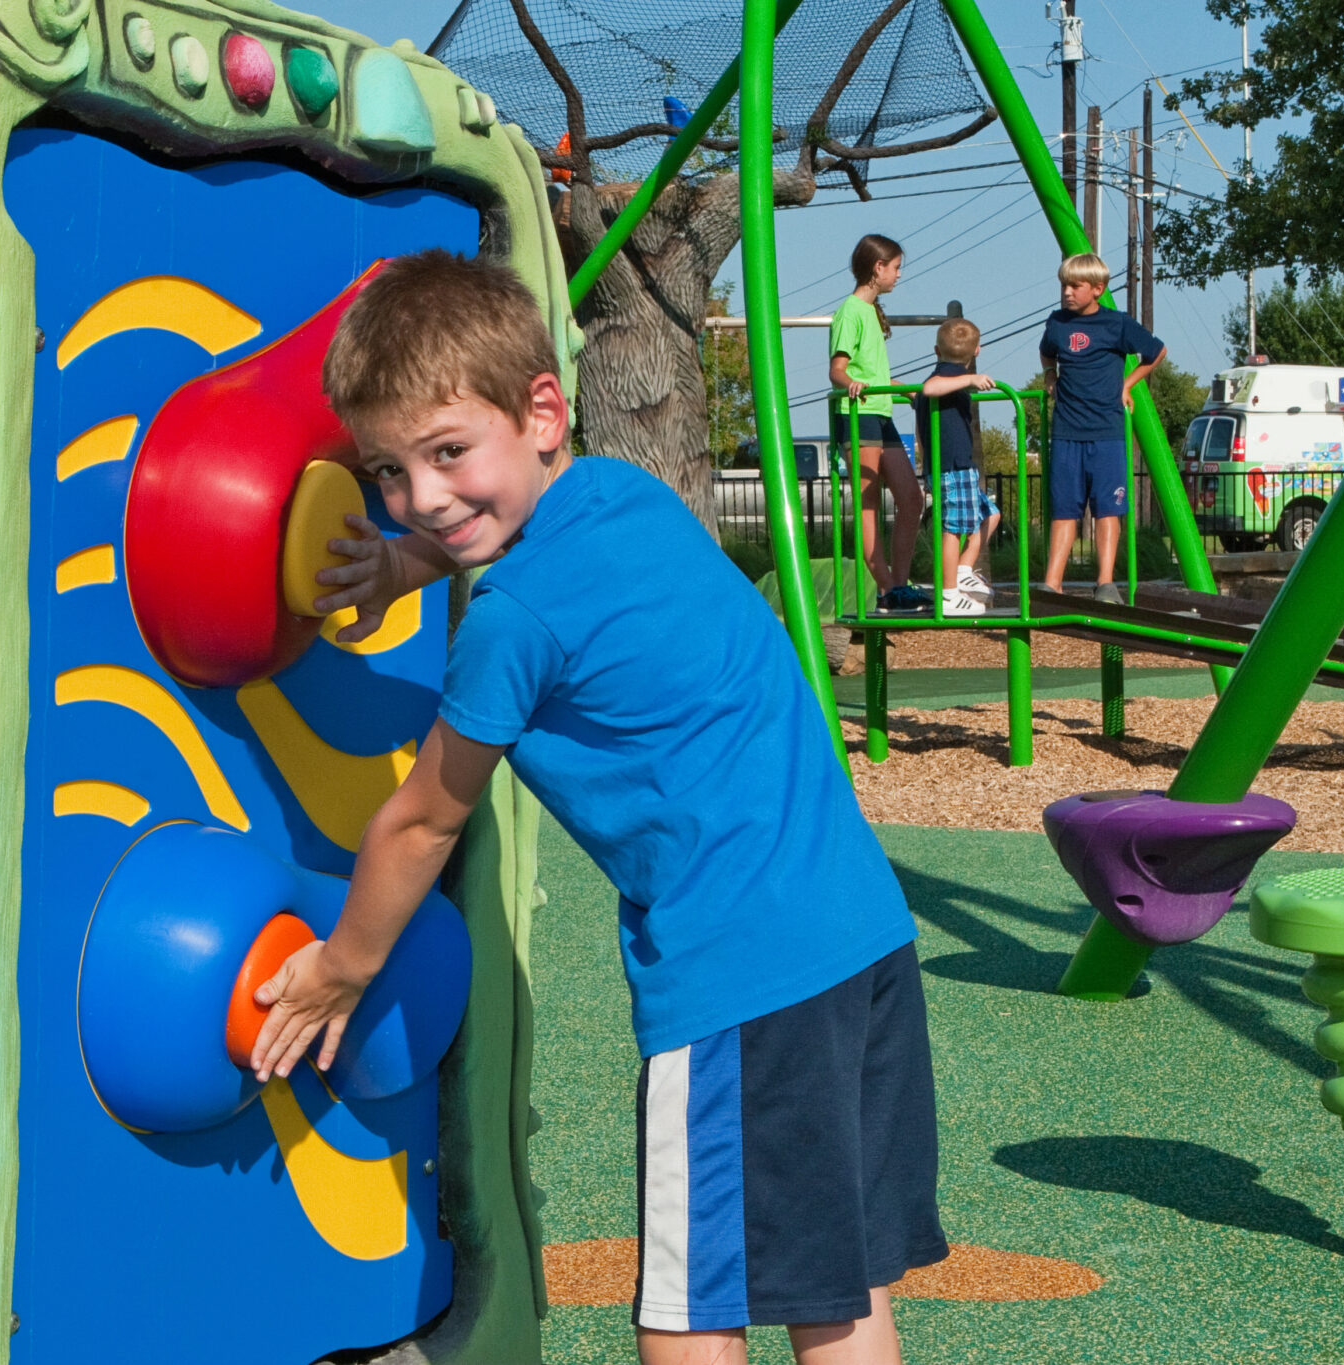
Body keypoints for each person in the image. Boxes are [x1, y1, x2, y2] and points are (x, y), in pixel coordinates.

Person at [252, 250, 946, 1365]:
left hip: (737, 976)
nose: (420, 498)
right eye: (386, 472)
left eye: (443, 454)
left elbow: (422, 820)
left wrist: (342, 962)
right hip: (859, 933)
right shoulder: (625, 494)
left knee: (688, 1299)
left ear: (540, 409)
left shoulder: (509, 626)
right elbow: (502, 517)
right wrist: (398, 566)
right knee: (839, 1282)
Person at [1037, 253, 1165, 600]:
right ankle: (1052, 582)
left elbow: (1155, 352)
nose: (1067, 292)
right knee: (1065, 509)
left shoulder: (1116, 324)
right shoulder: (1057, 324)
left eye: (1075, 286)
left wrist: (1127, 384)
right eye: (1064, 284)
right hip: (1067, 431)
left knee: (1108, 509)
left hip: (1107, 431)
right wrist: (1051, 374)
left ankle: (1105, 582)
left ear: (1097, 289)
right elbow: (1047, 352)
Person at [830, 234, 930, 613]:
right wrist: (850, 383)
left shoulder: (871, 312)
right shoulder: (850, 311)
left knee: (911, 497)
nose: (899, 275)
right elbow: (838, 369)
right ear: (878, 268)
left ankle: (899, 584)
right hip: (858, 415)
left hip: (882, 413)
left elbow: (871, 370)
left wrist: (903, 391)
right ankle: (886, 587)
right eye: (896, 267)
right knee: (868, 502)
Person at [911, 318, 1001, 617]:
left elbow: (922, 395)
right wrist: (971, 379)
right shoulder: (946, 377)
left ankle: (963, 569)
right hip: (951, 467)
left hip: (960, 466)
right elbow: (930, 388)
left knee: (991, 514)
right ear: (977, 351)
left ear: (936, 349)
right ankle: (949, 593)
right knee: (953, 529)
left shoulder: (946, 377)